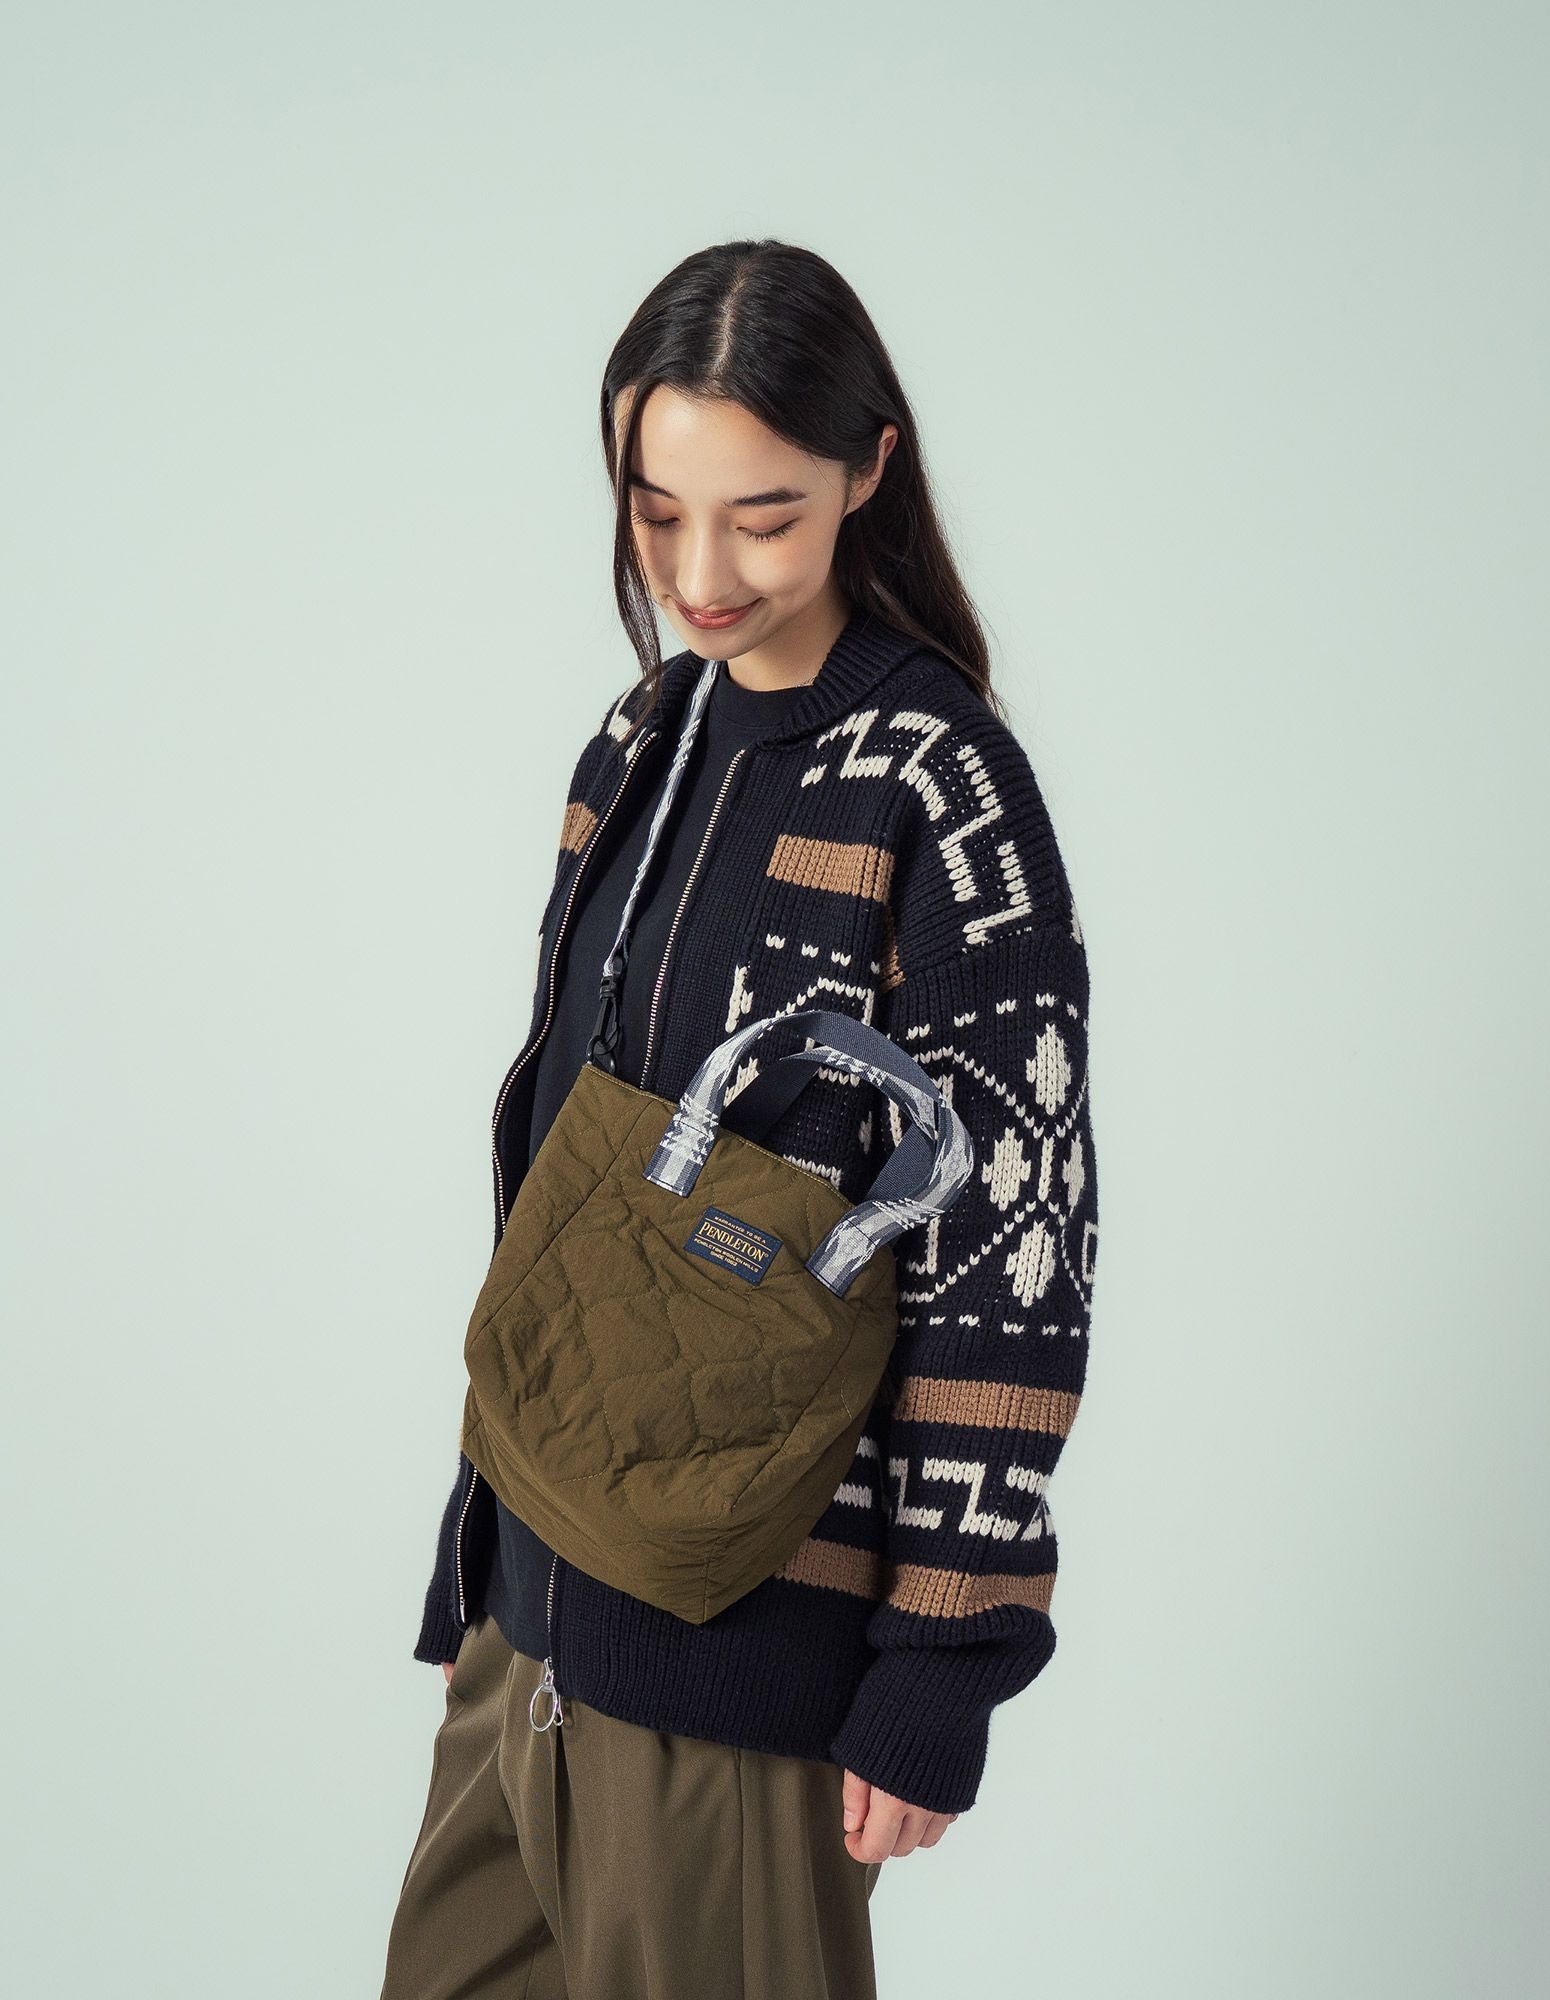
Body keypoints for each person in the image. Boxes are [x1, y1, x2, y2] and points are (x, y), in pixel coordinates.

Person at [379, 238, 1100, 2000]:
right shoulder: (640, 741)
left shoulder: (942, 787)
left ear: (870, 470)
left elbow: (1012, 1250)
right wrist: (479, 1558)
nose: (701, 576)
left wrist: (941, 1659)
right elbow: (562, 1175)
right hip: (530, 1611)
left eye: (762, 518)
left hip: (740, 1649)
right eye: (656, 513)